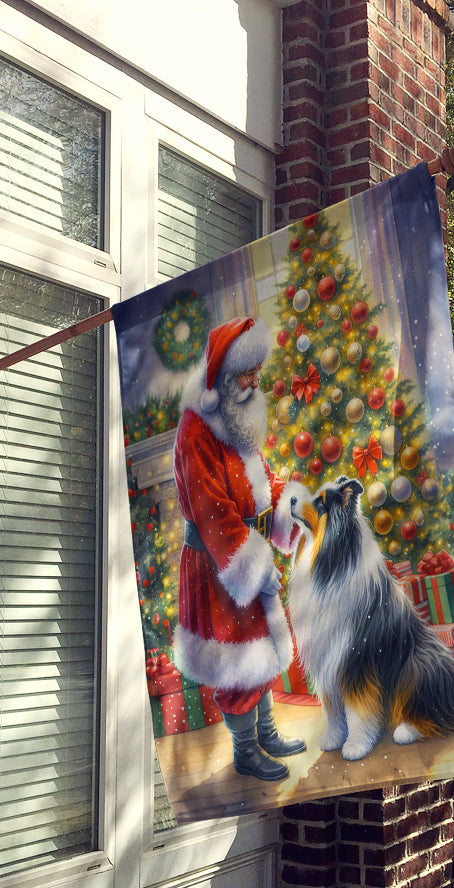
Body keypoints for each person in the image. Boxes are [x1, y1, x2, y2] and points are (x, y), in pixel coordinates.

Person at [172, 316, 306, 781]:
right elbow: (213, 513)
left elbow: (260, 482)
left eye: (257, 372)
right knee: (237, 661)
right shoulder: (195, 431)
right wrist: (254, 564)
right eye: (248, 373)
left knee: (259, 652)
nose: (255, 382)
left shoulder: (236, 415)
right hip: (220, 565)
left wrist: (291, 509)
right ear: (226, 376)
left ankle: (264, 733)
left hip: (242, 553)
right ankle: (246, 751)